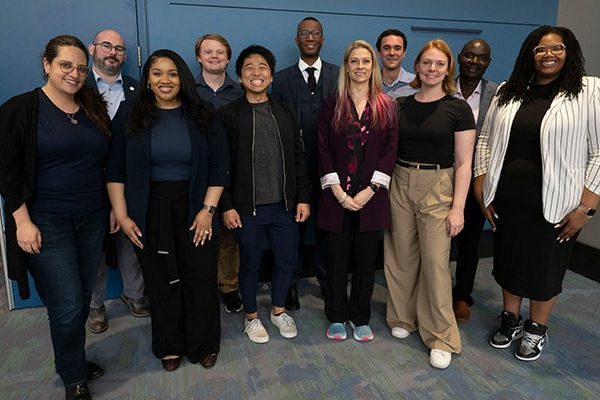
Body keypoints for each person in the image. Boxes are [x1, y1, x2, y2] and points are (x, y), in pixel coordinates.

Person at [474, 26, 600, 362]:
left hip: (558, 204)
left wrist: (587, 207)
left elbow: (599, 152)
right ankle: (511, 319)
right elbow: (485, 141)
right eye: (540, 49)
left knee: (545, 269)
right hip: (506, 199)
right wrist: (481, 184)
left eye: (557, 48)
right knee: (509, 262)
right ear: (530, 54)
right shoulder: (509, 91)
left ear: (569, 52)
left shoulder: (588, 91)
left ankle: (536, 328)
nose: (548, 54)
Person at [0, 34, 112, 400]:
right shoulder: (22, 108)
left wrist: (113, 208)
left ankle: (71, 361)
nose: (74, 74)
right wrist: (22, 221)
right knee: (66, 304)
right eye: (65, 65)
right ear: (46, 64)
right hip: (47, 222)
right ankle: (73, 379)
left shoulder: (92, 106)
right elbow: (6, 170)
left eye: (81, 68)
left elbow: (106, 161)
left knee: (81, 298)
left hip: (92, 218)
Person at [106, 49, 229, 371]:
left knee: (200, 277)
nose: (165, 80)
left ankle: (204, 343)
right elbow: (115, 168)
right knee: (160, 280)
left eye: (172, 73)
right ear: (147, 79)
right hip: (148, 207)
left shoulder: (203, 113)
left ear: (182, 78)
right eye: (157, 73)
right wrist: (122, 214)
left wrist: (208, 210)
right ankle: (168, 345)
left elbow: (220, 166)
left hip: (197, 206)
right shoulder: (129, 113)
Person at [384, 39, 476, 369]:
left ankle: (440, 336)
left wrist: (458, 207)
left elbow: (464, 163)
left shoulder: (458, 108)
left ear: (448, 69)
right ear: (417, 66)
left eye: (439, 64)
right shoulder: (401, 105)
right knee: (400, 255)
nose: (432, 69)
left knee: (435, 263)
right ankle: (402, 317)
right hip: (400, 180)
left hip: (439, 185)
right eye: (426, 63)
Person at [218, 45, 311, 344]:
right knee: (249, 264)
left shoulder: (284, 111)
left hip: (284, 206)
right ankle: (251, 317)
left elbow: (299, 158)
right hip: (247, 209)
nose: (256, 73)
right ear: (239, 76)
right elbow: (220, 164)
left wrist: (303, 197)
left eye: (263, 67)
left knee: (287, 261)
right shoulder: (228, 115)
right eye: (249, 67)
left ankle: (278, 311)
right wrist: (226, 205)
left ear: (271, 76)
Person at [318, 40, 397, 342]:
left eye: (366, 61)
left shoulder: (387, 106)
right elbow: (322, 149)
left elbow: (390, 151)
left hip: (371, 198)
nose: (360, 66)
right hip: (336, 197)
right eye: (354, 61)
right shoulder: (332, 104)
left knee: (366, 262)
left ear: (373, 66)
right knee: (336, 261)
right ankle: (337, 316)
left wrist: (371, 190)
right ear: (346, 66)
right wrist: (338, 192)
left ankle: (360, 317)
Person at [272, 16, 339, 309]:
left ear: (322, 39)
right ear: (296, 39)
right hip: (293, 167)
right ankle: (290, 283)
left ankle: (327, 281)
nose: (310, 37)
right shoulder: (281, 79)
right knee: (292, 229)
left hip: (330, 165)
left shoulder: (339, 75)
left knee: (327, 226)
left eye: (315, 33)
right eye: (304, 33)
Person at [86, 29, 149, 335]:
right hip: (87, 179)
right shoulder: (77, 86)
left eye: (119, 48)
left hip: (127, 177)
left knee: (130, 236)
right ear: (92, 49)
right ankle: (94, 304)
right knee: (93, 246)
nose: (112, 53)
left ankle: (134, 294)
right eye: (106, 46)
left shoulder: (138, 90)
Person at [194, 33, 244, 313]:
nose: (214, 56)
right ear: (199, 57)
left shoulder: (240, 91)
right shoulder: (187, 90)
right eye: (208, 52)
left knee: (228, 235)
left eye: (220, 52)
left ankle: (229, 286)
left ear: (228, 58)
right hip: (197, 172)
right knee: (198, 232)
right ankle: (201, 286)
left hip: (232, 172)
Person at [452, 39, 498, 322]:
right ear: (460, 57)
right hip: (443, 176)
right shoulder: (443, 86)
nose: (474, 62)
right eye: (469, 55)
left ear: (488, 62)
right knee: (435, 240)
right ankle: (430, 292)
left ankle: (462, 295)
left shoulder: (498, 94)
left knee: (469, 241)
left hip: (477, 179)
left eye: (481, 58)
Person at [376, 29, 416, 98]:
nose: (392, 53)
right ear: (379, 53)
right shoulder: (369, 83)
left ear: (404, 53)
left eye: (397, 48)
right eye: (386, 48)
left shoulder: (417, 84)